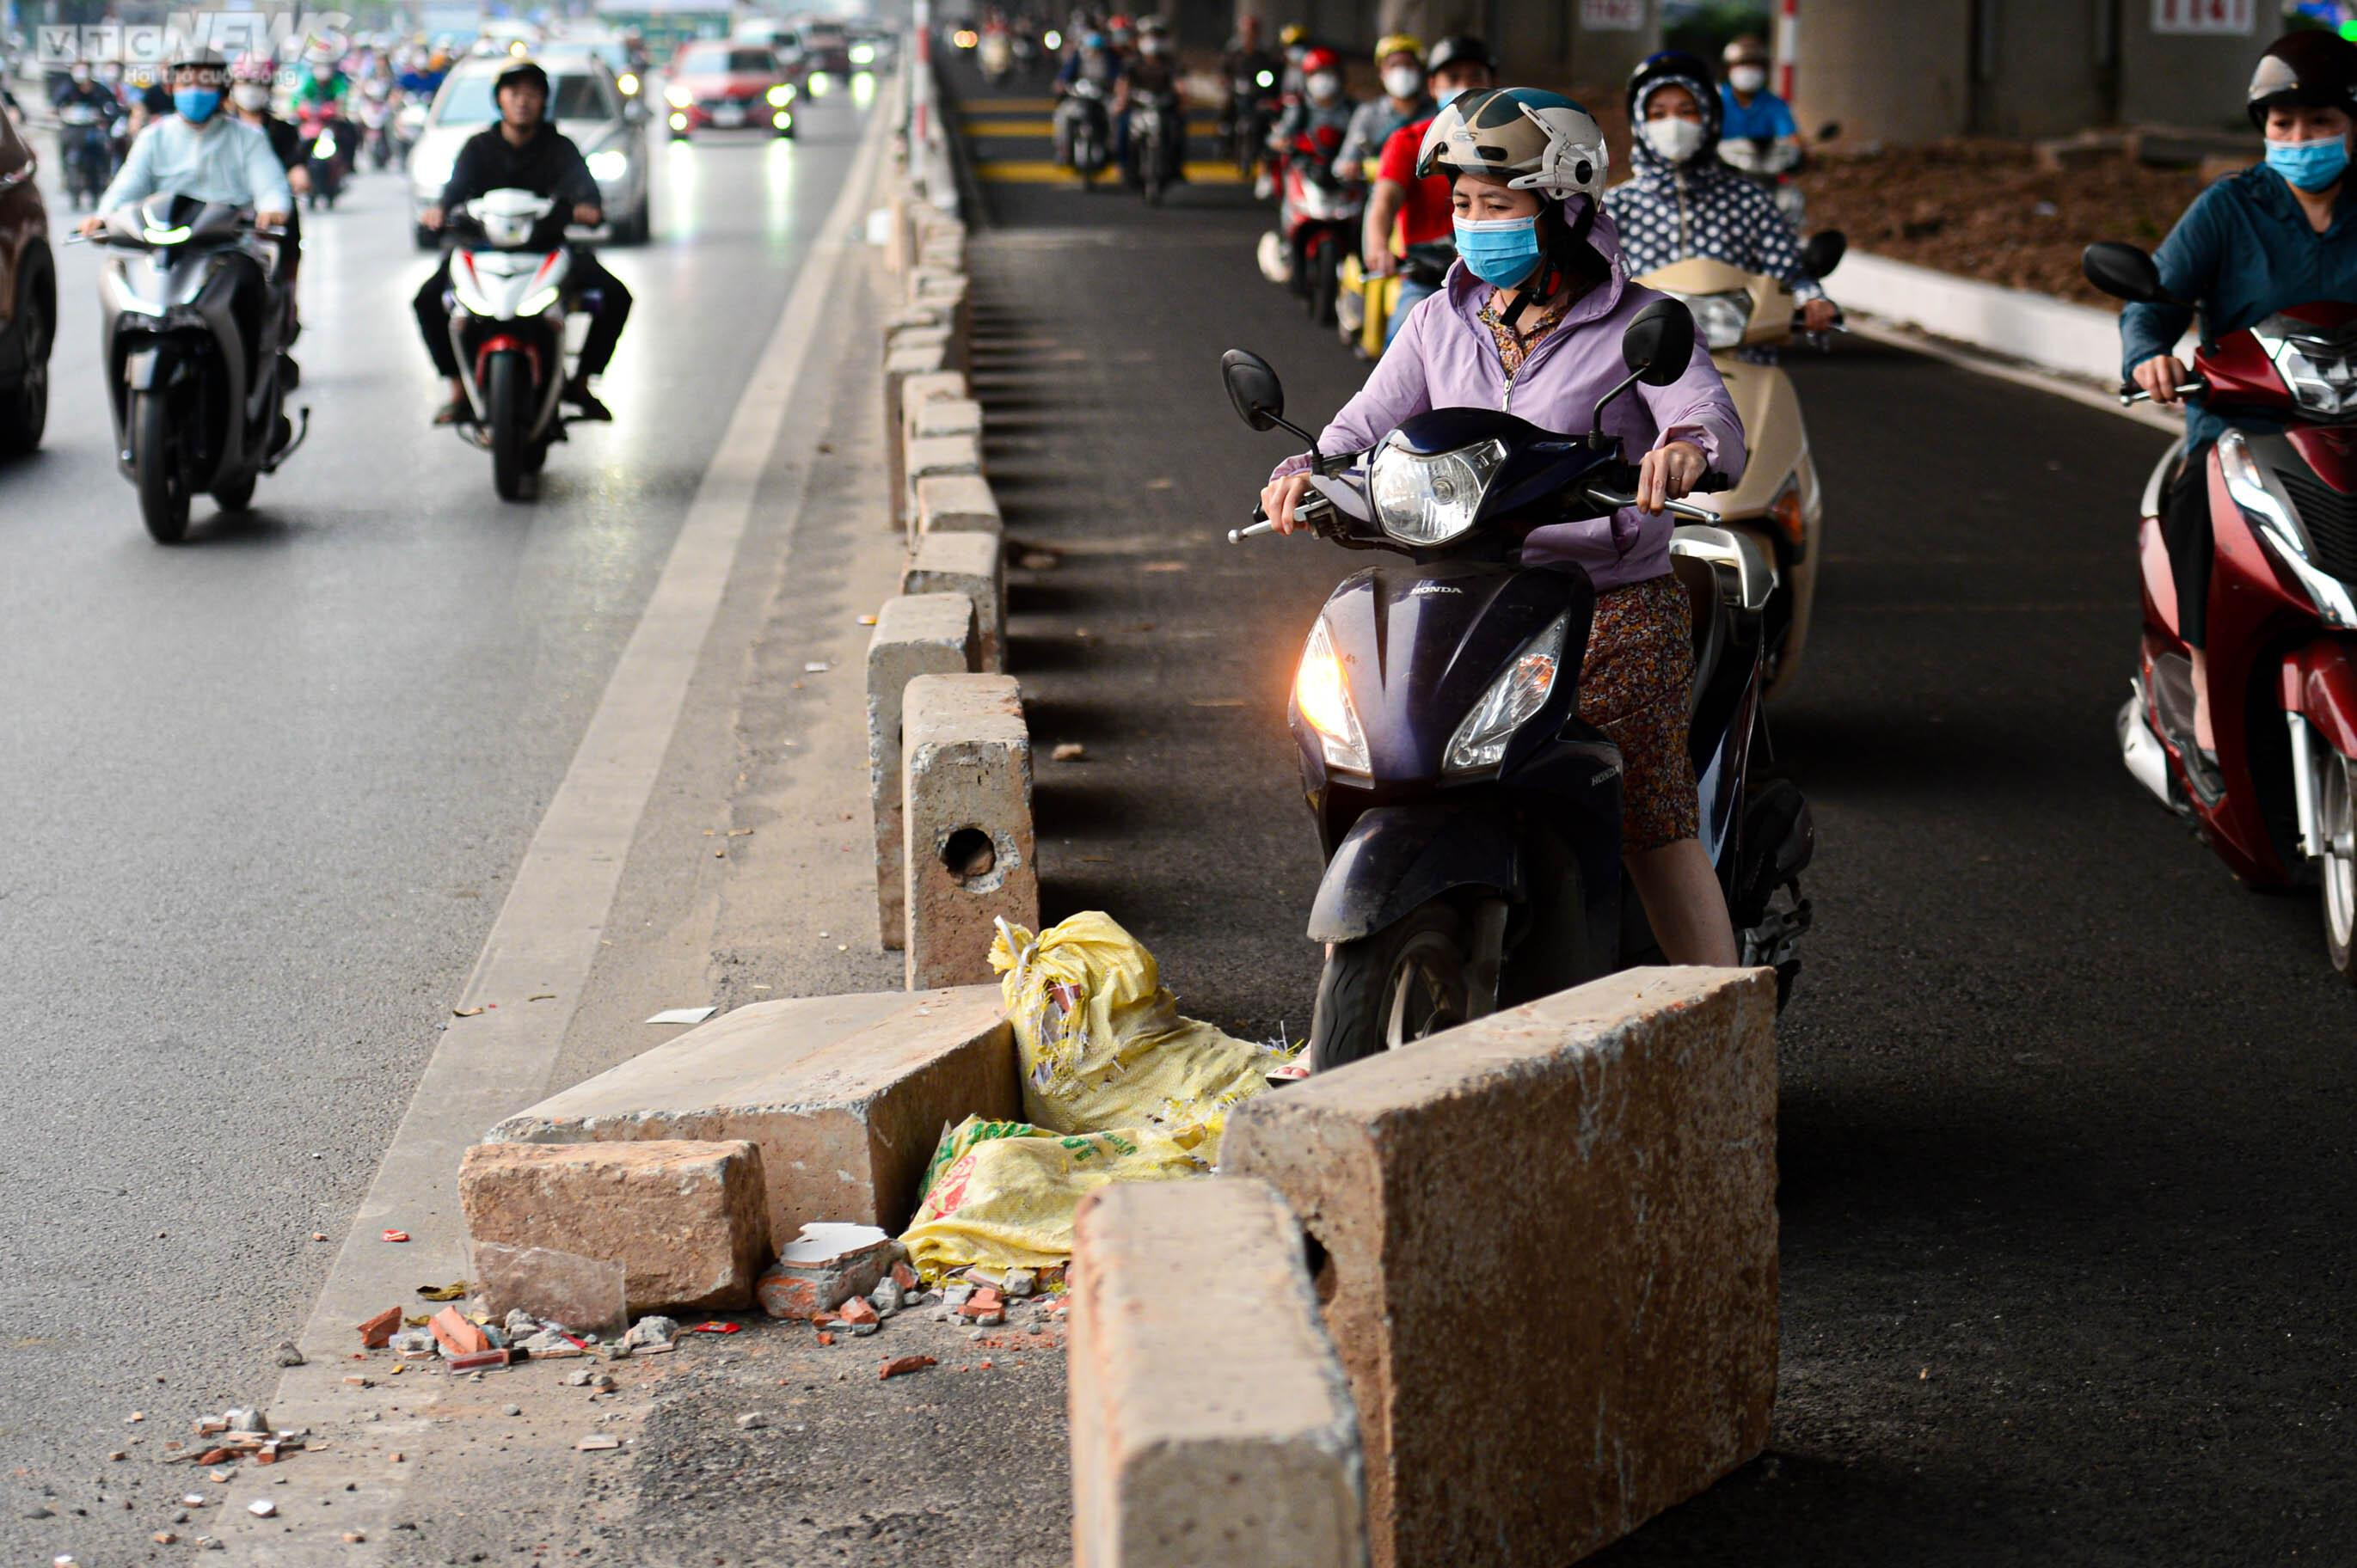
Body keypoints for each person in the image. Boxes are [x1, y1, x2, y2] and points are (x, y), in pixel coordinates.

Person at [1259, 87, 1746, 966]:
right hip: (1462, 595)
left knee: (1650, 818)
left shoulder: (1638, 322)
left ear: (1561, 208)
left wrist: (1683, 448)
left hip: (1607, 607)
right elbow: (1357, 428)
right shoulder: (1436, 322)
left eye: (1497, 204)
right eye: (1461, 205)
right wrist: (1305, 470)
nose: (1473, 224)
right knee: (1373, 768)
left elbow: (1705, 415)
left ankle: (1724, 1030)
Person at [2121, 29, 2357, 781]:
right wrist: (2147, 355)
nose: (2298, 140)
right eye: (2282, 126)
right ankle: (2204, 684)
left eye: (2318, 124)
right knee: (2199, 513)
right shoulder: (2229, 206)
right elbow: (2154, 302)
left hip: (2350, 429)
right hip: (2244, 429)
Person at [412, 59, 630, 425]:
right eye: (515, 93)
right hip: (481, 251)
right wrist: (439, 212)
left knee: (617, 296)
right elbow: (452, 195)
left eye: (532, 93)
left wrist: (586, 209)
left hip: (546, 252)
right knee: (426, 300)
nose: (523, 101)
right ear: (500, 99)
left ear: (544, 100)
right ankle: (456, 387)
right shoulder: (478, 147)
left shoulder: (559, 148)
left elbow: (585, 194)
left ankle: (581, 382)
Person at [82, 52, 294, 379]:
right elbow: (127, 185)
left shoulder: (247, 138)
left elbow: (270, 185)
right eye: (186, 82)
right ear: (171, 87)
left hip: (227, 247)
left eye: (204, 83)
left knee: (254, 293)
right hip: (164, 247)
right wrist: (103, 217)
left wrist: (272, 210)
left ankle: (253, 386)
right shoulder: (155, 137)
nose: (195, 90)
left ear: (223, 91)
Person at [1604, 52, 1837, 334]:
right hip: (1640, 364)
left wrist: (1812, 300)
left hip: (1742, 355)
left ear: (1709, 119)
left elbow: (1788, 274)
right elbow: (1587, 284)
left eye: (1687, 111)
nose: (1673, 123)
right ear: (1640, 125)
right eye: (1658, 114)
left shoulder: (1748, 202)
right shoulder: (1615, 208)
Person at [1364, 34, 1496, 343]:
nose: (1464, 85)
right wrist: (1378, 247)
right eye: (1452, 78)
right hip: (1426, 282)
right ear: (1433, 86)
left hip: (1500, 282)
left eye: (1475, 76)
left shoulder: (1517, 143)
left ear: (1493, 83)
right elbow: (1384, 200)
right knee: (1405, 343)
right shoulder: (1410, 142)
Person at [229, 55, 310, 322]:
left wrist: (297, 172)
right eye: (245, 81)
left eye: (256, 82)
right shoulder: (221, 129)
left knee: (289, 228)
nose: (250, 88)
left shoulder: (281, 131)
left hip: (268, 215)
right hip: (226, 210)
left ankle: (289, 303)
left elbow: (294, 163)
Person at [1339, 34, 1430, 181]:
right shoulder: (1367, 114)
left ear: (1420, 71)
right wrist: (1360, 168)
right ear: (1382, 73)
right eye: (1394, 65)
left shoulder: (1436, 113)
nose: (1402, 72)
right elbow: (1343, 165)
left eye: (1408, 64)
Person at [1114, 18, 1182, 187]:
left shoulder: (1170, 63)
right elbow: (1123, 82)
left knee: (1178, 131)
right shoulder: (1134, 61)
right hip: (1139, 107)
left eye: (1157, 36)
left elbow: (1179, 84)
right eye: (1150, 35)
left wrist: (1182, 99)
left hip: (1163, 107)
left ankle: (1176, 167)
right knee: (1123, 128)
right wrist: (1122, 100)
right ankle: (1124, 165)